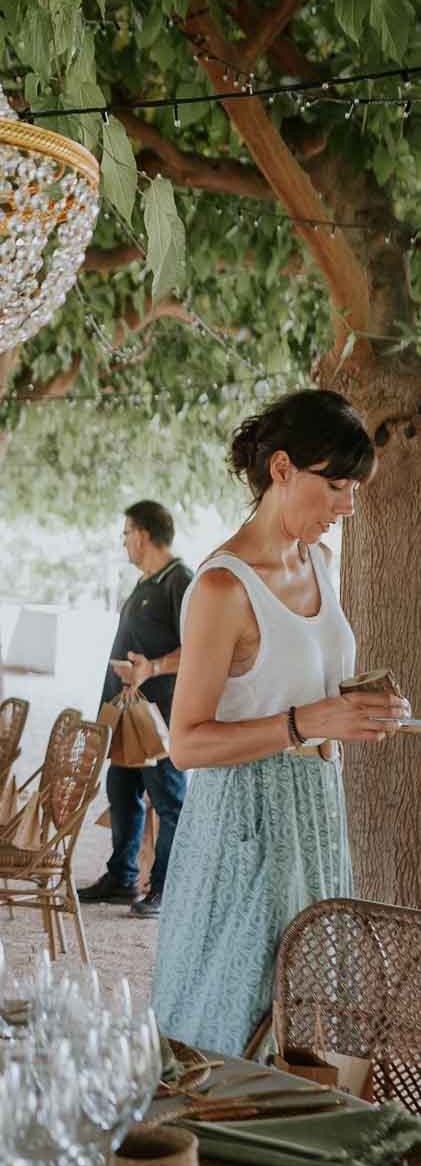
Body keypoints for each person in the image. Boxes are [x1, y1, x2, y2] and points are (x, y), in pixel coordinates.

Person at [150, 389, 410, 1056]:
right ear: (284, 468)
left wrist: (364, 709)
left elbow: (307, 684)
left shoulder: (319, 563)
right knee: (233, 1020)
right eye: (337, 484)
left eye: (354, 487)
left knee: (311, 1025)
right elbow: (184, 743)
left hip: (317, 814)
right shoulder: (220, 587)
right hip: (244, 821)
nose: (347, 505)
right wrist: (305, 722)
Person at [79, 501, 193, 918]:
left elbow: (198, 648)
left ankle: (165, 889)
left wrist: (154, 668)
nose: (124, 541)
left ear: (142, 534)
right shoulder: (145, 583)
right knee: (121, 791)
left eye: (126, 532)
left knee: (169, 802)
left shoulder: (180, 581)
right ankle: (122, 877)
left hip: (159, 719)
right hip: (126, 715)